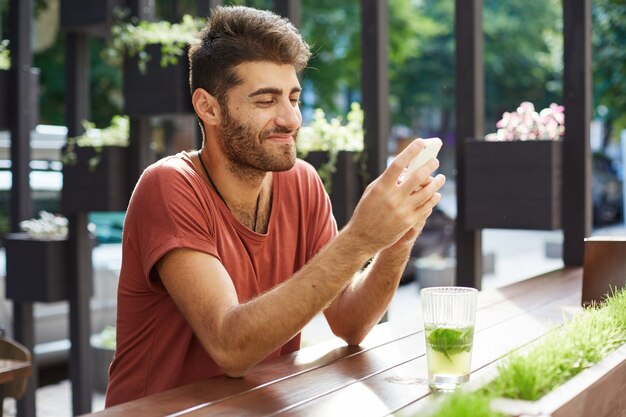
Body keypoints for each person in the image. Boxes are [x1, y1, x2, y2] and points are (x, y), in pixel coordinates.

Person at [105, 5, 445, 407]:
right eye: (266, 100)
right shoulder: (169, 186)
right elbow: (230, 347)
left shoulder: (301, 181)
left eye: (294, 98)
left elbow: (351, 324)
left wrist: (396, 239)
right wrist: (358, 239)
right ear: (208, 107)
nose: (291, 119)